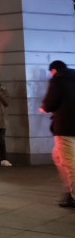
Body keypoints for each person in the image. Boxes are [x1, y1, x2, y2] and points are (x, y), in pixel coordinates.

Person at [42, 60, 75, 207]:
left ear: (54, 70)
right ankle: (69, 190)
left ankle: (73, 195)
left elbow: (50, 104)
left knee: (70, 163)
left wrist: (44, 108)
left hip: (65, 127)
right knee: (57, 155)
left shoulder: (57, 80)